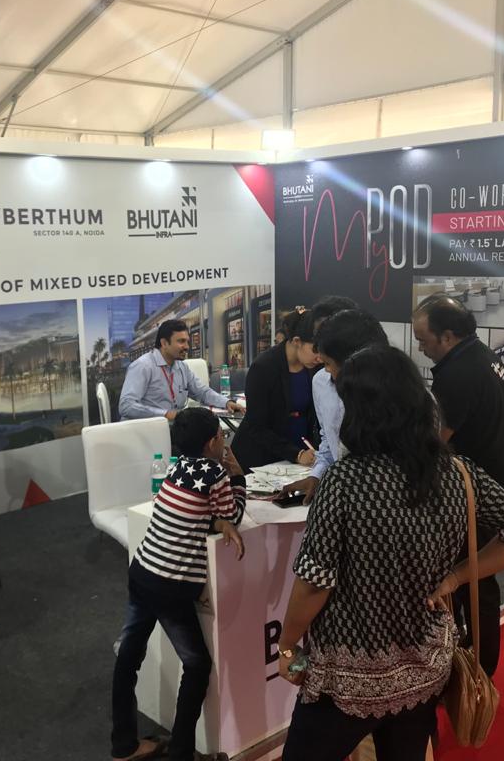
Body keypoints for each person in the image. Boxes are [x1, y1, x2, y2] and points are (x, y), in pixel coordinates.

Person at [276, 347, 504, 761]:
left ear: (359, 411)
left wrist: (287, 645)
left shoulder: (344, 481)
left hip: (348, 678)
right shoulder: (457, 472)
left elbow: (315, 583)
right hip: (424, 668)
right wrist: (456, 576)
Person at [111, 408, 246, 761]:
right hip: (171, 585)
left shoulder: (175, 467)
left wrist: (215, 520)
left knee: (129, 655)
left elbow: (203, 515)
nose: (224, 442)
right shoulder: (215, 474)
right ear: (212, 442)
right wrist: (238, 478)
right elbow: (231, 516)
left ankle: (123, 744)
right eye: (221, 436)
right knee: (197, 664)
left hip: (142, 569)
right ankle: (181, 751)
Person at [413, 294, 504, 676]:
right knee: (472, 579)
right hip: (494, 476)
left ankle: (478, 669)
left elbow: (438, 439)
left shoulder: (457, 374)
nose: (421, 349)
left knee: (474, 579)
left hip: (476, 490)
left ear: (447, 336)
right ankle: (470, 658)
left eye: (424, 340)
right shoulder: (483, 356)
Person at [289, 308, 388, 504]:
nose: (326, 370)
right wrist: (317, 475)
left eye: (328, 363)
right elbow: (328, 439)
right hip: (342, 493)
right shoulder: (320, 382)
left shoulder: (398, 396)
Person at [231, 308, 321, 472]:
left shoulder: (315, 367)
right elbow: (256, 425)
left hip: (301, 451)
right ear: (297, 341)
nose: (320, 357)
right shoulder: (264, 367)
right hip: (261, 455)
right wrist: (296, 454)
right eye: (315, 349)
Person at [118, 320, 244, 420]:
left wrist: (226, 402)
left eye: (187, 342)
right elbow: (126, 406)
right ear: (164, 343)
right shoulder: (143, 366)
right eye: (181, 341)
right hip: (147, 432)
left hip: (175, 429)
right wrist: (166, 414)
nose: (187, 347)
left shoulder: (181, 367)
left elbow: (202, 392)